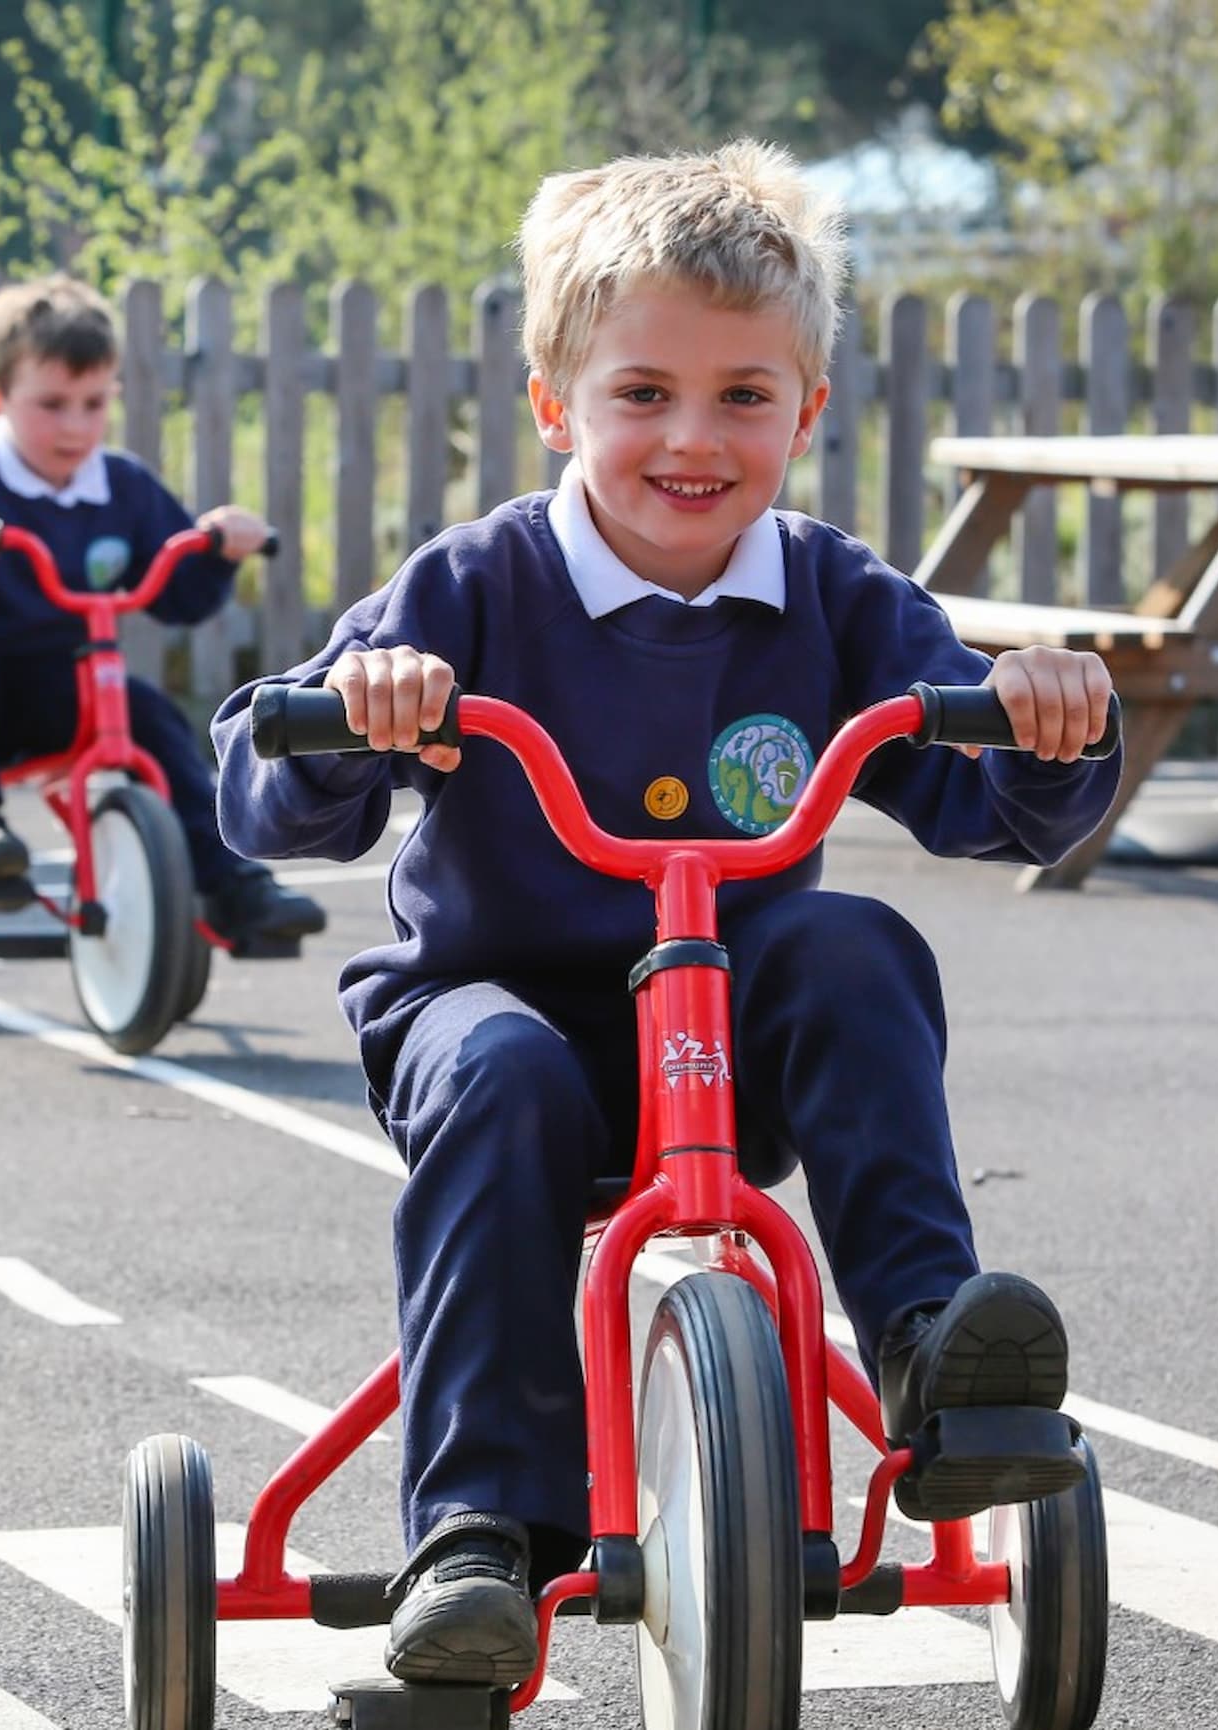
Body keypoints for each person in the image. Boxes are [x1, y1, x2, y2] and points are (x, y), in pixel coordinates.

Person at [213, 142, 1122, 1687]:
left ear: (807, 412)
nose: (693, 438)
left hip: (728, 1034)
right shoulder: (479, 584)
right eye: (643, 393)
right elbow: (262, 780)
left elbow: (990, 801)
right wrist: (358, 708)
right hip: (487, 1015)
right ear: (557, 404)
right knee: (504, 1073)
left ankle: (928, 1352)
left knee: (856, 944)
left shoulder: (837, 600)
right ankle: (479, 1535)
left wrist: (1051, 725)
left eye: (744, 397)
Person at [0, 275, 324, 947]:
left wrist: (217, 551)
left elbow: (178, 597)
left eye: (92, 403)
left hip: (55, 691)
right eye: (51, 404)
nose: (75, 426)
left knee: (151, 716)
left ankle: (232, 884)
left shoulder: (122, 488)